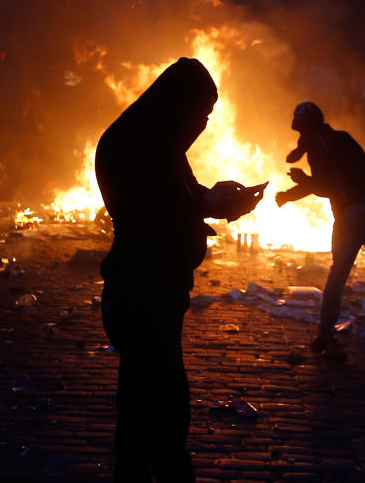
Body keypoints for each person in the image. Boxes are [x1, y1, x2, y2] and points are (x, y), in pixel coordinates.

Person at [96, 57, 265, 482]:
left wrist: (218, 199)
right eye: (199, 114)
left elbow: (183, 196)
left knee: (150, 400)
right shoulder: (134, 145)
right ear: (177, 104)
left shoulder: (162, 146)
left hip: (160, 291)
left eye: (209, 117)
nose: (202, 125)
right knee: (154, 404)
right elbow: (151, 211)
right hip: (141, 290)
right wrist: (207, 205)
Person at [276, 102, 365, 368]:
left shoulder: (319, 146)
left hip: (352, 212)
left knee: (338, 275)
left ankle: (324, 334)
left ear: (305, 128)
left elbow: (325, 186)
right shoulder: (339, 138)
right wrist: (294, 191)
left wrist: (298, 185)